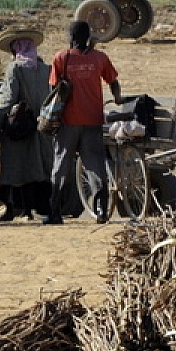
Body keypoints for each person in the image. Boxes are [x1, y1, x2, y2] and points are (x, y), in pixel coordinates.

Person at [45, 20, 122, 225]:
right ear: (88, 37)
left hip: (68, 122)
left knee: (60, 166)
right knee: (95, 165)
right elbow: (113, 81)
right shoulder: (100, 58)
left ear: (71, 37)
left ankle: (54, 212)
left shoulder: (62, 57)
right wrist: (118, 98)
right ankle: (101, 210)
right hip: (93, 120)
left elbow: (53, 88)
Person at [0, 27, 53, 221]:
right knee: (37, 167)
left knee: (16, 168)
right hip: (40, 125)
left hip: (19, 125)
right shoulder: (45, 68)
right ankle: (36, 209)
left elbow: (9, 98)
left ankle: (14, 209)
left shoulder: (15, 68)